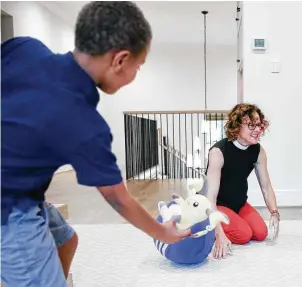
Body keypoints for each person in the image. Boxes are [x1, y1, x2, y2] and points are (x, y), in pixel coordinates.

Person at [1, 2, 190, 286]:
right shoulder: (83, 122)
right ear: (120, 60)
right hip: (10, 209)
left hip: (25, 192)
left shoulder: (25, 47)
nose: (135, 74)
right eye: (138, 66)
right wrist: (163, 233)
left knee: (66, 239)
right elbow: (118, 198)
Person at [205, 103, 280, 259]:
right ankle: (208, 227)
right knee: (243, 235)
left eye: (259, 125)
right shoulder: (218, 151)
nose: (258, 130)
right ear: (237, 126)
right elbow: (210, 197)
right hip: (218, 205)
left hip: (239, 204)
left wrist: (274, 213)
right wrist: (219, 233)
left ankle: (232, 223)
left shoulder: (258, 151)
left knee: (260, 233)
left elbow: (266, 186)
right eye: (251, 125)